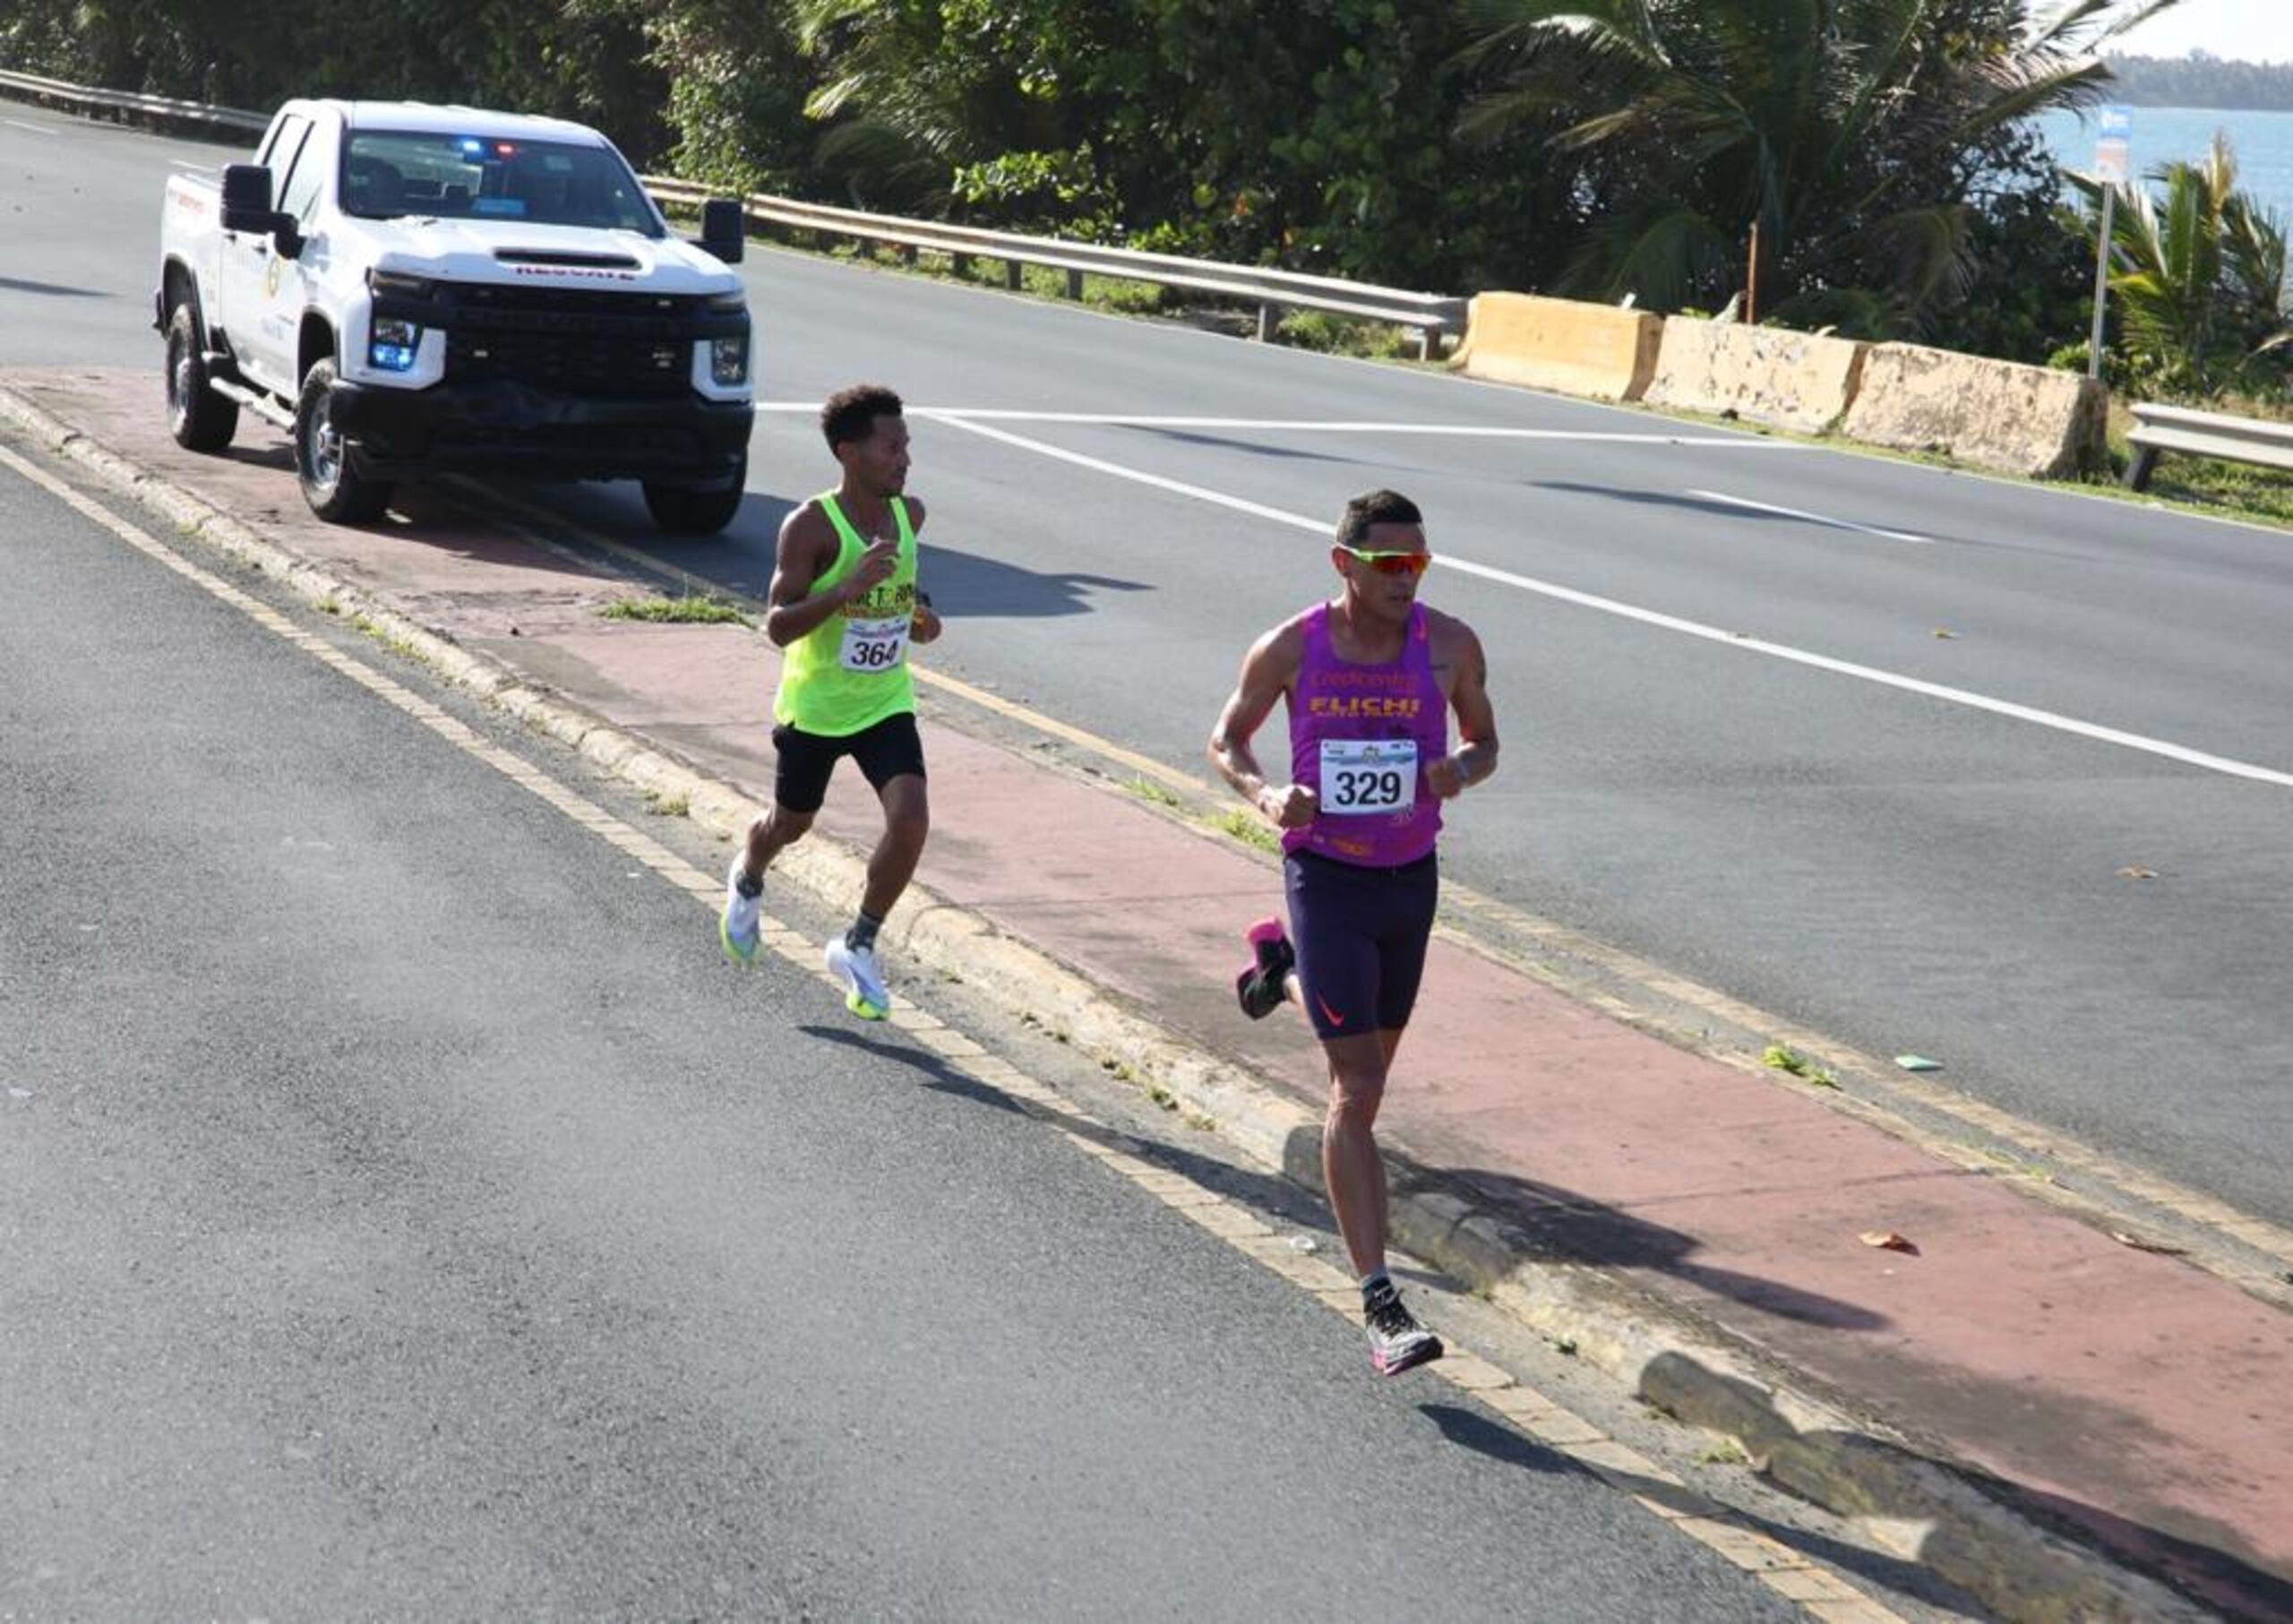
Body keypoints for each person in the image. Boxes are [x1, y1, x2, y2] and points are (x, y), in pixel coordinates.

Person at [1207, 489, 1499, 1376]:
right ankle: (1379, 1302)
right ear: (1344, 564)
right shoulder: (1292, 645)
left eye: (1418, 563)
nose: (1406, 578)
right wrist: (1263, 793)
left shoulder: (1449, 645)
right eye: (1388, 564)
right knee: (1358, 1085)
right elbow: (1227, 738)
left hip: (1409, 880)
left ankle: (1279, 966)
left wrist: (1459, 770)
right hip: (1325, 872)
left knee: (1368, 1056)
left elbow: (1486, 741)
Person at [719, 383, 942, 1018]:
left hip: (884, 701)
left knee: (911, 820)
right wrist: (846, 588)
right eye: (892, 446)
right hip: (815, 707)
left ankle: (859, 942)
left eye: (907, 446)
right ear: (850, 452)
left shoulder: (910, 515)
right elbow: (779, 624)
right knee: (790, 823)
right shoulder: (810, 526)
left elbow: (903, 590)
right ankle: (750, 872)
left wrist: (920, 615)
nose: (904, 459)